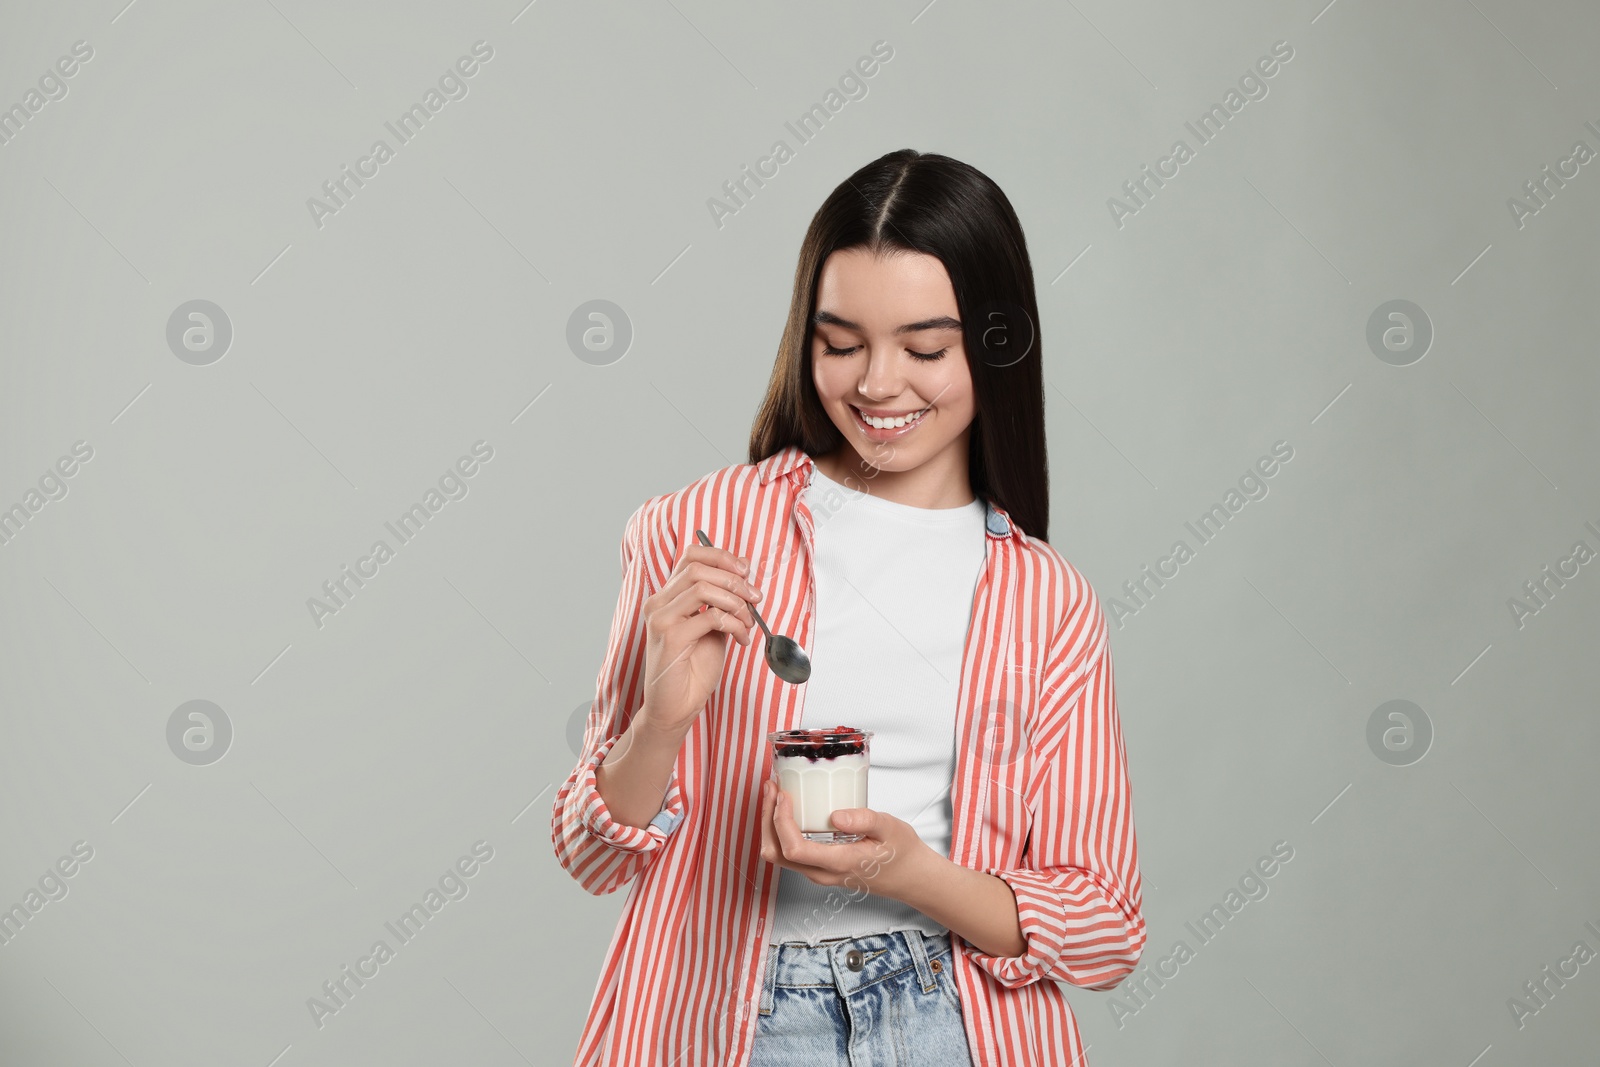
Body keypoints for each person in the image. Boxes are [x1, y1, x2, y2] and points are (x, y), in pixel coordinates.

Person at [552, 148, 1145, 1067]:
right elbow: (593, 857)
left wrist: (912, 875)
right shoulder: (698, 533)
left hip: (954, 1020)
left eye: (924, 348)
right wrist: (660, 723)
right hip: (726, 1022)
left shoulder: (1047, 599)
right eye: (840, 344)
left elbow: (1106, 927)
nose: (876, 384)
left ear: (993, 343)